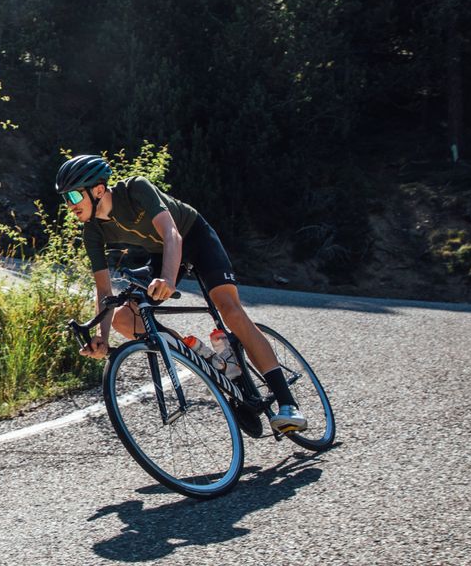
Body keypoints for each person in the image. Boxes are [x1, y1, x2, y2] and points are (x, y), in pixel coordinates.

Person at [55, 154, 307, 432]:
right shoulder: (92, 231)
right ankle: (212, 366)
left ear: (98, 190)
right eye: (66, 198)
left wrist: (168, 277)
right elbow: (104, 289)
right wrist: (101, 338)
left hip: (193, 237)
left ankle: (287, 404)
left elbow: (171, 233)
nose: (70, 204)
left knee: (229, 310)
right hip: (160, 253)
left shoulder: (136, 188)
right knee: (124, 320)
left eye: (75, 196)